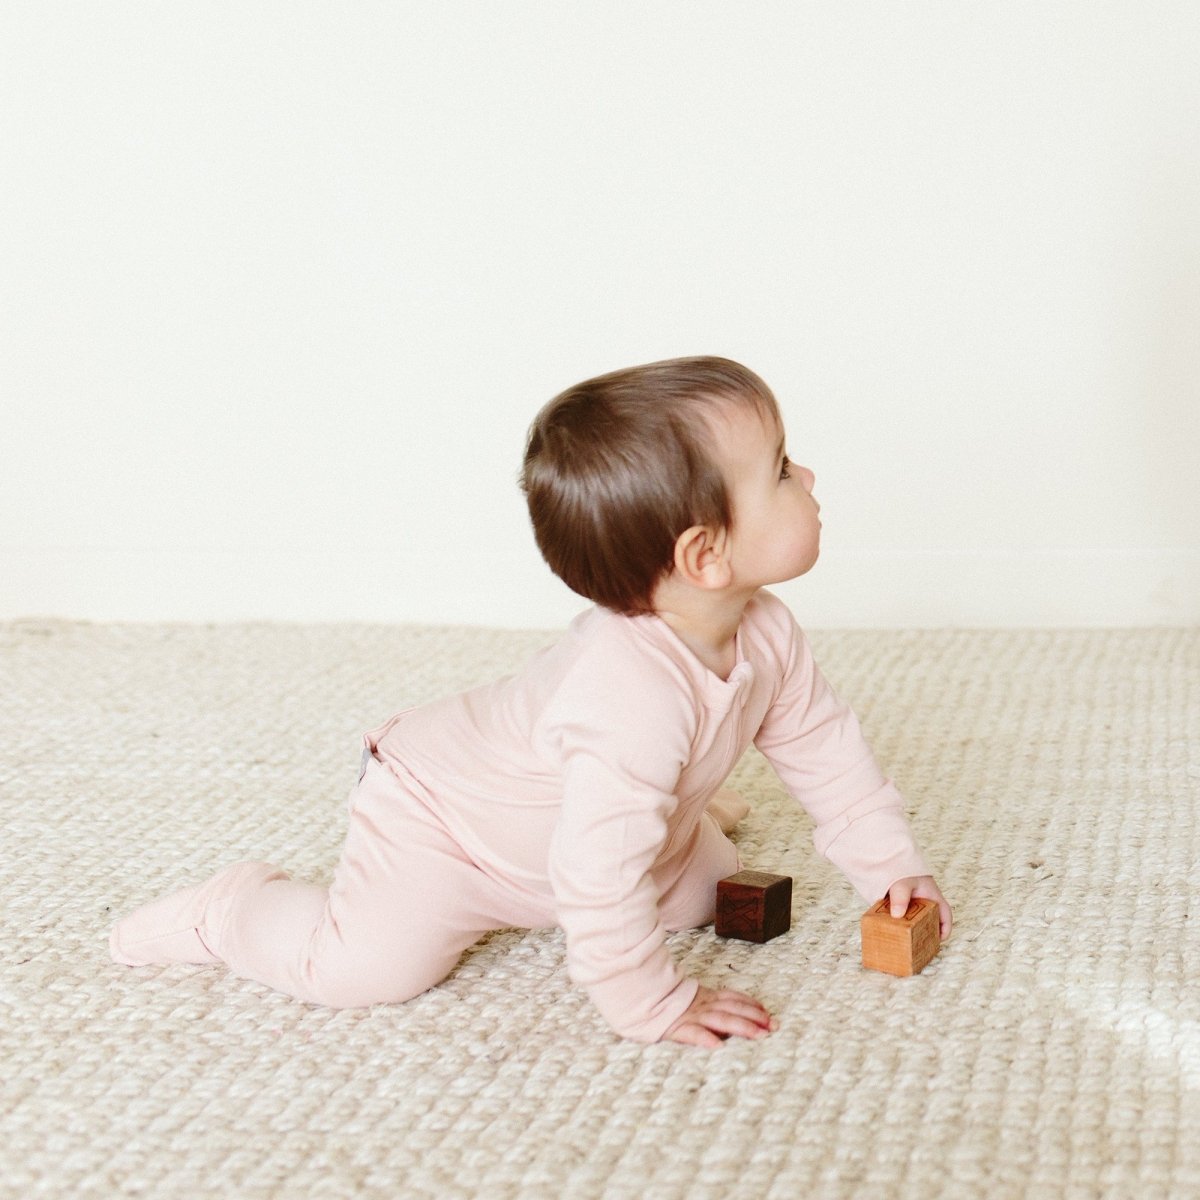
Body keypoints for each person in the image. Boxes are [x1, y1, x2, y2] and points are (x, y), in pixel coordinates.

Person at [110, 356, 952, 1047]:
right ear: (705, 556)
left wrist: (891, 869)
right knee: (366, 973)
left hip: (581, 826)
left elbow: (826, 751)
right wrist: (651, 1004)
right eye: (778, 469)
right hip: (448, 828)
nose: (805, 473)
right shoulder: (630, 696)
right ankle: (230, 912)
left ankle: (667, 807)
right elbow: (594, 882)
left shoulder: (765, 628)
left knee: (702, 890)